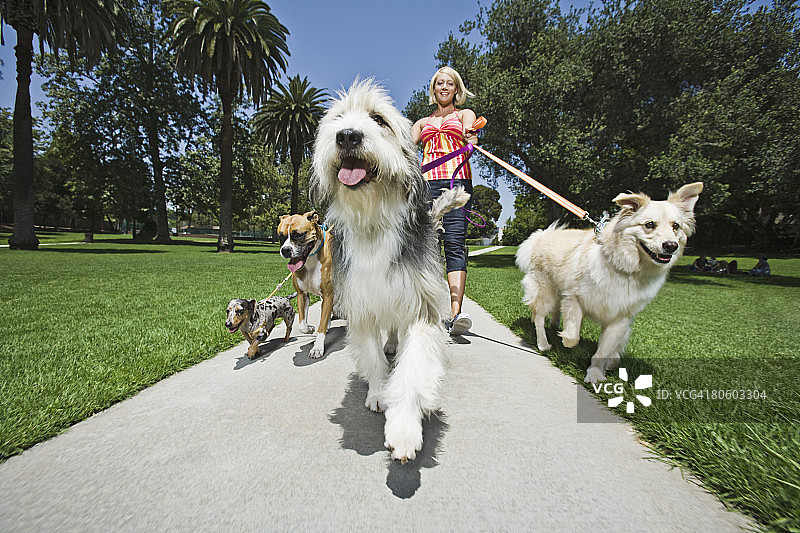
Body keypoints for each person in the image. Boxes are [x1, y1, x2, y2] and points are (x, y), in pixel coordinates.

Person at [411, 66, 478, 336]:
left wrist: (471, 136)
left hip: (457, 183)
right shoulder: (421, 123)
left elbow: (471, 132)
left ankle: (455, 314)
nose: (444, 87)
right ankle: (424, 310)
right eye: (440, 83)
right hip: (426, 186)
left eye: (450, 83)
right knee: (427, 246)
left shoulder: (464, 114)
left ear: (456, 89)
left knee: (454, 243)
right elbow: (405, 147)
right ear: (433, 89)